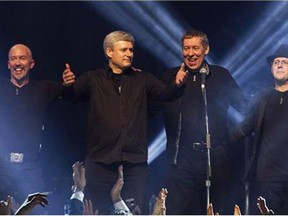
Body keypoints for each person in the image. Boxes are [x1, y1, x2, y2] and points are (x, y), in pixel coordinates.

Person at [62, 30, 188, 214]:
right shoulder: (93, 79)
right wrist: (67, 86)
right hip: (100, 163)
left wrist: (176, 85)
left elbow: (164, 94)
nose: (129, 54)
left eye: (131, 50)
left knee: (134, 211)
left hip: (134, 165)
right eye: (124, 50)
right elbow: (73, 96)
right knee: (99, 211)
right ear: (109, 52)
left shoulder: (142, 79)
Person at [162, 29, 247, 214]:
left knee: (215, 209)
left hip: (215, 156)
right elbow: (153, 102)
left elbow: (246, 107)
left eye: (195, 48)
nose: (190, 53)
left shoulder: (220, 75)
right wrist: (174, 85)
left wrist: (234, 135)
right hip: (181, 158)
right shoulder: (170, 76)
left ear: (206, 50)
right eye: (186, 48)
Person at [230, 44, 288, 214]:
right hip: (268, 175)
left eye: (284, 62)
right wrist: (217, 139)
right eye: (276, 62)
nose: (279, 65)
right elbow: (245, 127)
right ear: (271, 68)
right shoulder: (263, 97)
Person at [0, 44, 61, 206]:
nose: (18, 63)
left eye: (22, 58)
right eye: (13, 59)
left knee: (36, 210)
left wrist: (68, 83)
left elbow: (72, 91)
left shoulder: (43, 88)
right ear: (8, 64)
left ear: (31, 64)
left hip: (30, 167)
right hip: (2, 166)